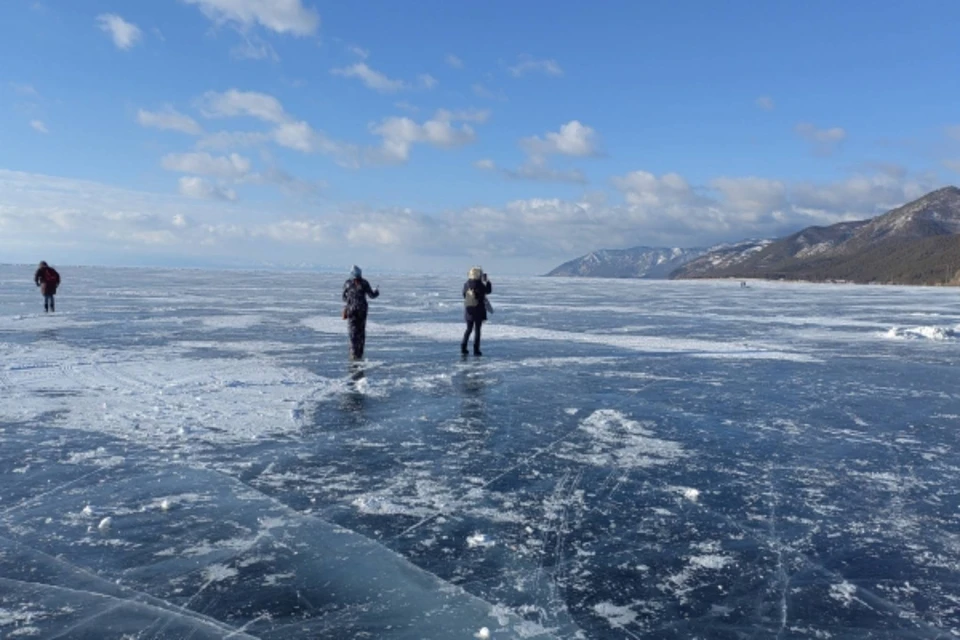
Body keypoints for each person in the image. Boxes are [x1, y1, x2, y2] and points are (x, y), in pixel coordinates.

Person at [342, 265, 379, 360]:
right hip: (362, 311)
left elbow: (343, 297)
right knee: (361, 332)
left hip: (351, 311)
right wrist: (377, 292)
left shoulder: (347, 283)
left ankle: (353, 352)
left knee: (352, 332)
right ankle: (359, 353)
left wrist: (349, 302)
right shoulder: (364, 283)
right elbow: (372, 295)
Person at [461, 266, 492, 356]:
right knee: (477, 330)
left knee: (468, 329)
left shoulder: (466, 284)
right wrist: (487, 282)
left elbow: (464, 295)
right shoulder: (480, 285)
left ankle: (463, 347)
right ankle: (476, 350)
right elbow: (488, 291)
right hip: (478, 310)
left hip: (468, 310)